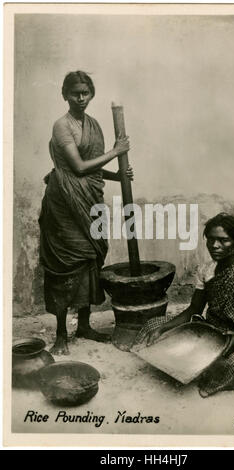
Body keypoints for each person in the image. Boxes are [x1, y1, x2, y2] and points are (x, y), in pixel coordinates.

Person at [39, 71, 132, 355]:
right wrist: (117, 151)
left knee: (91, 258)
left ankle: (84, 326)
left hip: (90, 200)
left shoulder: (92, 124)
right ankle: (60, 334)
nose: (81, 98)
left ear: (91, 94)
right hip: (64, 203)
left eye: (85, 93)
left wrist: (118, 176)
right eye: (75, 93)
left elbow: (91, 167)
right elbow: (78, 167)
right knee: (66, 264)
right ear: (64, 95)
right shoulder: (61, 126)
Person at [136, 213, 234, 397]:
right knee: (153, 325)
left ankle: (211, 368)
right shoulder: (206, 270)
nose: (215, 245)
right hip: (212, 332)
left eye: (223, 240)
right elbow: (194, 310)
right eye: (211, 239)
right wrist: (163, 328)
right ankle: (207, 363)